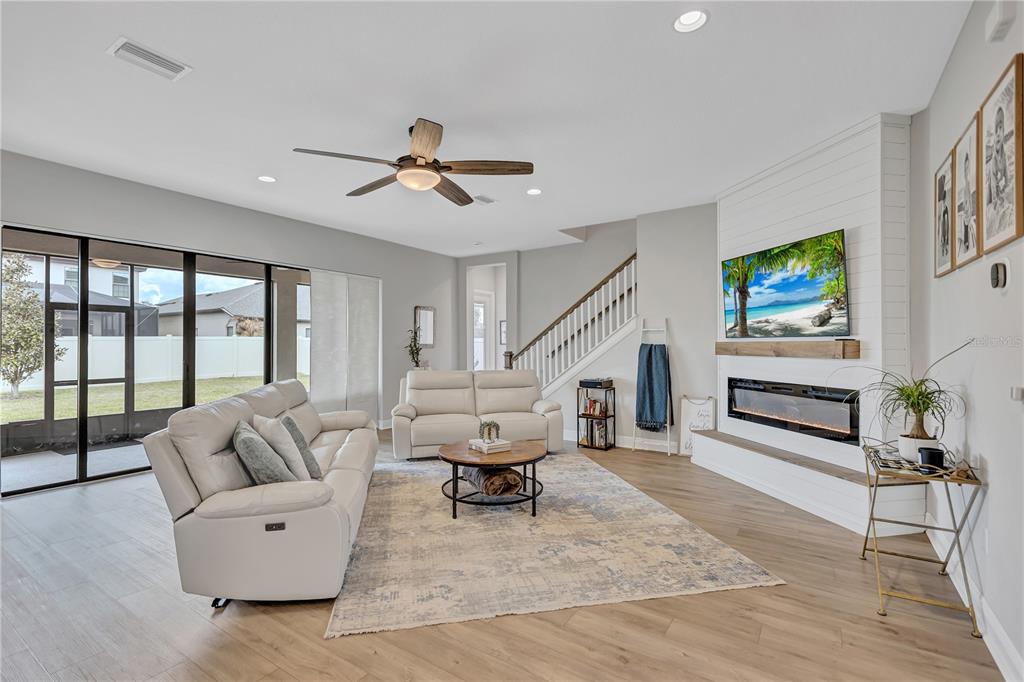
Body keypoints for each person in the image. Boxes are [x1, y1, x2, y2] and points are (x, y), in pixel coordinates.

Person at [959, 149, 975, 255]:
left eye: (968, 167)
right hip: (966, 219)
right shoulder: (966, 186)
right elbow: (965, 205)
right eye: (965, 168)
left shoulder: (968, 184)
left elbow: (969, 204)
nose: (967, 170)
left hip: (968, 219)